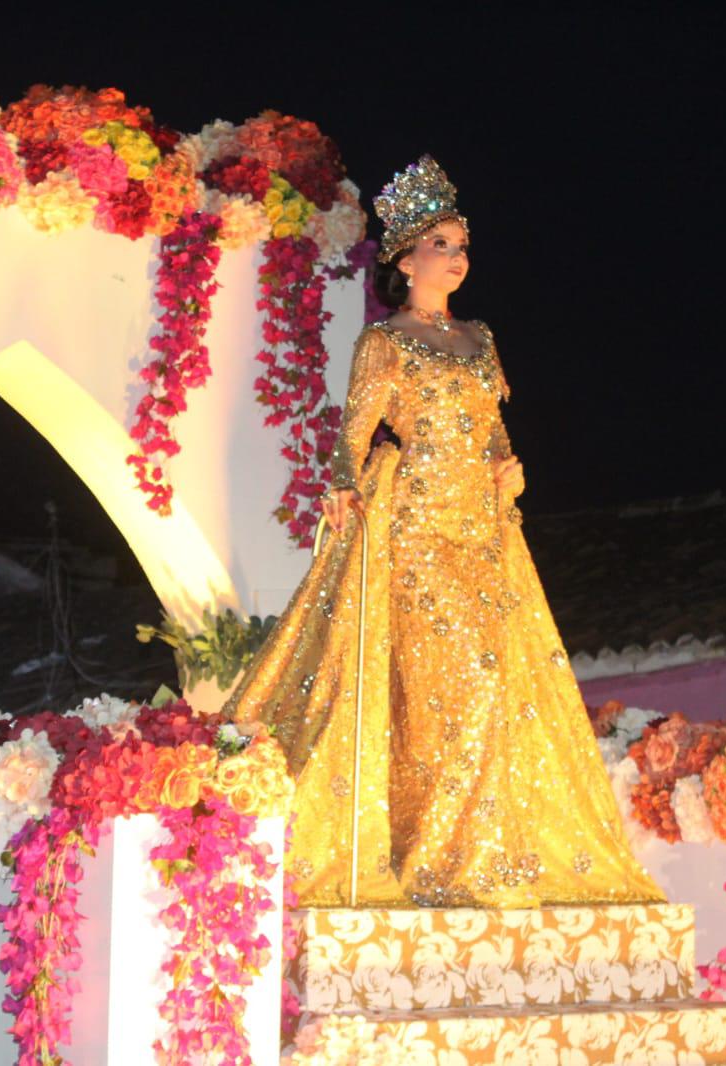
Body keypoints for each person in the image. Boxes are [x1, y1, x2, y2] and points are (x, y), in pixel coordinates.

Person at [223, 156, 664, 908]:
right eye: (440, 245)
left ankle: (476, 854)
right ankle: (427, 855)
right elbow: (351, 433)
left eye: (461, 246)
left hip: (483, 532)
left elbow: (492, 430)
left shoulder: (479, 339)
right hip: (419, 534)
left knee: (497, 681)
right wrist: (338, 484)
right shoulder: (382, 343)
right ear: (403, 259)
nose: (455, 259)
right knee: (444, 690)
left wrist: (505, 465)